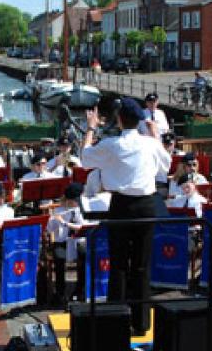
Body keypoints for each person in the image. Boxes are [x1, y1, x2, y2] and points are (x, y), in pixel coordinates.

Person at [80, 98, 170, 335]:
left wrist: (91, 127)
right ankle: (141, 323)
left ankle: (115, 322)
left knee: (119, 264)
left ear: (120, 119)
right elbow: (166, 166)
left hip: (121, 204)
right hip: (147, 204)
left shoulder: (112, 144)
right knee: (141, 265)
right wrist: (156, 137)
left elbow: (85, 158)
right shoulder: (150, 144)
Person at [46, 183, 90, 305]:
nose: (76, 203)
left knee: (84, 255)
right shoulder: (59, 210)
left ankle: (80, 289)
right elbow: (49, 230)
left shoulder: (81, 210)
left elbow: (82, 227)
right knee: (59, 258)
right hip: (62, 241)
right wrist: (54, 220)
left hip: (78, 241)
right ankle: (60, 293)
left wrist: (65, 223)